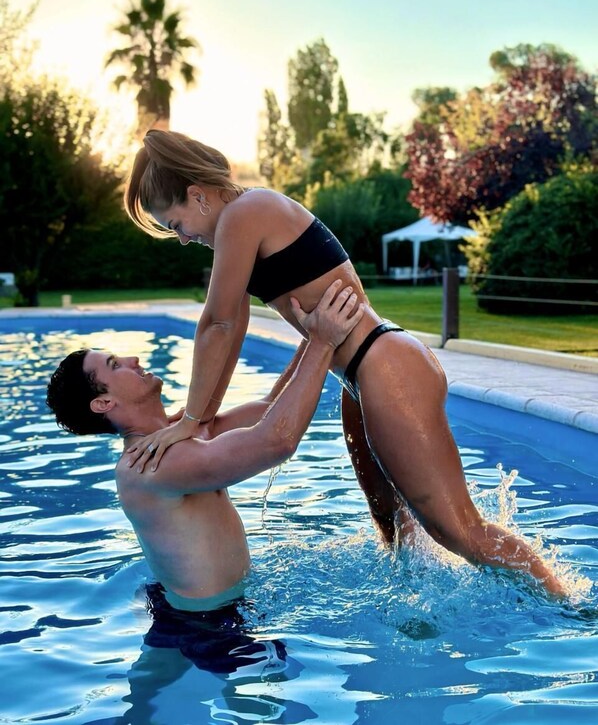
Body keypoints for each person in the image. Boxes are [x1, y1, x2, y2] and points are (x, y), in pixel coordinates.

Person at [122, 129, 565, 597]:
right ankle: (419, 607)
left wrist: (191, 421)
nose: (183, 239)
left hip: (386, 366)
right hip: (362, 373)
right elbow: (231, 326)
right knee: (391, 523)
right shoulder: (246, 220)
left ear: (197, 195)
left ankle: (569, 605)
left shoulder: (245, 213)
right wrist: (201, 417)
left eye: (175, 224)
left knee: (460, 531)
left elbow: (218, 323)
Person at [45, 281, 364, 611]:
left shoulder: (182, 432)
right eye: (115, 365)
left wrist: (314, 336)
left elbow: (273, 409)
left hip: (219, 610)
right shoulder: (146, 466)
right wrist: (323, 342)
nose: (133, 358)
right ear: (104, 403)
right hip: (203, 629)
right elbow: (276, 442)